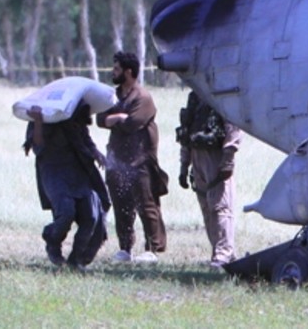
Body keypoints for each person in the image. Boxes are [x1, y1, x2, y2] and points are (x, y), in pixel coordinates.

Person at [96, 51, 168, 262]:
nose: (113, 71)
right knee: (121, 205)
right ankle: (125, 248)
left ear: (128, 72)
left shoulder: (143, 97)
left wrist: (114, 120)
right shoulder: (113, 95)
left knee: (146, 205)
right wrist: (118, 116)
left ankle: (152, 249)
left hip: (141, 160)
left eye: (117, 68)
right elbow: (100, 119)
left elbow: (132, 124)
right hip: (117, 160)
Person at [22, 101, 110, 269]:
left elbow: (85, 138)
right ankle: (52, 242)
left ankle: (76, 259)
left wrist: (96, 153)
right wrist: (39, 121)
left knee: (91, 216)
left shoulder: (76, 114)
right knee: (66, 212)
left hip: (79, 172)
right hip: (54, 172)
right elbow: (37, 147)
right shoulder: (45, 115)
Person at [177, 90, 242, 268]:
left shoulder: (222, 95)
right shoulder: (195, 97)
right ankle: (219, 250)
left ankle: (224, 253)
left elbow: (233, 126)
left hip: (216, 155)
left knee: (220, 206)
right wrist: (184, 164)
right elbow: (186, 131)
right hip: (198, 155)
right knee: (207, 207)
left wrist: (228, 157)